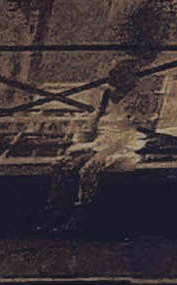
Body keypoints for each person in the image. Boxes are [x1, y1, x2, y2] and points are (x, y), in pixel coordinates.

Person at [36, 59, 160, 235]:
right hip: (101, 140)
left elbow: (139, 127)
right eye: (116, 75)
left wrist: (105, 149)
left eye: (125, 75)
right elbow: (92, 123)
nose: (118, 79)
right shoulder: (105, 96)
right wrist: (81, 141)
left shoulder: (141, 98)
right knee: (63, 164)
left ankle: (80, 215)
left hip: (126, 142)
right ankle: (57, 212)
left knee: (89, 168)